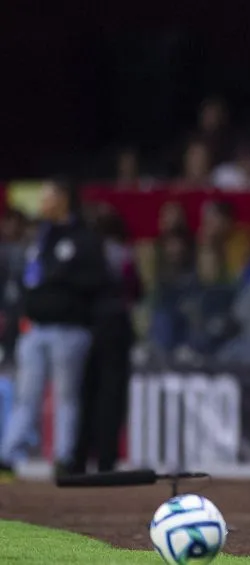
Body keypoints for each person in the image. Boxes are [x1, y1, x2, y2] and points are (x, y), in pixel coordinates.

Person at [0, 179, 111, 481]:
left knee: (66, 397)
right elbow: (29, 279)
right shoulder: (41, 237)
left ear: (63, 198)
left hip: (69, 329)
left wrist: (59, 282)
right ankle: (8, 456)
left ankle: (64, 458)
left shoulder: (83, 239)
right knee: (26, 396)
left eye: (47, 196)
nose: (42, 203)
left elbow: (96, 280)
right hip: (35, 329)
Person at [70, 210, 141, 474]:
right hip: (114, 328)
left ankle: (78, 459)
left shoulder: (80, 250)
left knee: (84, 394)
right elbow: (135, 290)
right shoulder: (123, 254)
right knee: (110, 396)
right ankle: (106, 460)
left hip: (87, 326)